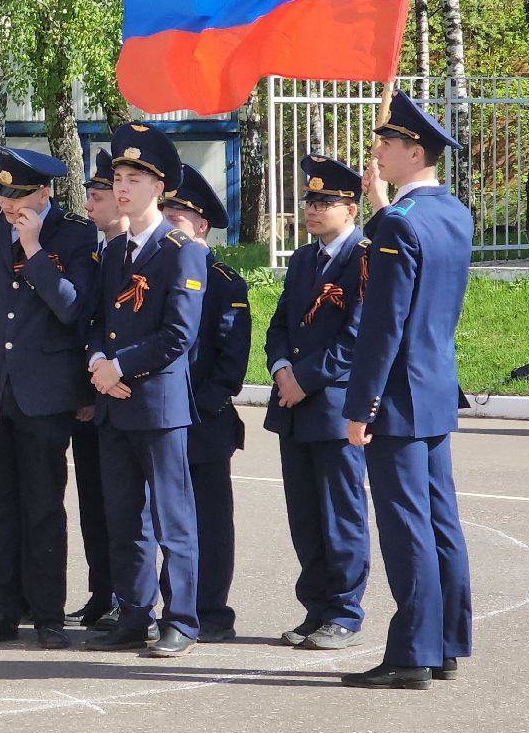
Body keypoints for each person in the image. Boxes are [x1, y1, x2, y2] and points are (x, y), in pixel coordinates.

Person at [340, 94, 474, 690]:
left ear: (413, 151)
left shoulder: (398, 223)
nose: (378, 151)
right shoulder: (451, 213)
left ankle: (411, 653)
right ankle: (445, 642)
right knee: (440, 521)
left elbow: (383, 324)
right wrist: (379, 210)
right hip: (436, 388)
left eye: (387, 144)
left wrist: (360, 405)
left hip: (396, 396)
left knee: (405, 527)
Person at [0, 145, 98, 649]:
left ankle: (48, 612)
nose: (9, 207)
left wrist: (35, 251)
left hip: (45, 396)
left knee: (42, 507)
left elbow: (72, 310)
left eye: (18, 197)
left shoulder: (74, 236)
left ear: (43, 193)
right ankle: (0, 608)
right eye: (3, 196)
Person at [82, 123, 207, 658]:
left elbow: (178, 335)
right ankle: (134, 612)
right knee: (124, 515)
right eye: (117, 177)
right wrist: (96, 360)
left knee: (172, 518)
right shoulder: (114, 252)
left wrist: (119, 367)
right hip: (114, 404)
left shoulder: (181, 251)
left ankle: (180, 618)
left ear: (159, 187)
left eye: (134, 178)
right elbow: (98, 321)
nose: (122, 187)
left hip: (155, 404)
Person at [265, 155, 370, 651]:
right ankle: (317, 606)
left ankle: (345, 611)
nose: (313, 208)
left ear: (351, 208)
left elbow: (358, 336)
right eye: (309, 200)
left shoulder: (365, 258)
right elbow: (280, 323)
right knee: (304, 515)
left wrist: (305, 379)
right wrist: (281, 368)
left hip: (332, 406)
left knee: (340, 513)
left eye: (325, 201)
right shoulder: (305, 259)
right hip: (294, 404)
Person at [160, 163, 250, 643]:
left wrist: (198, 405)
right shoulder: (153, 268)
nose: (168, 226)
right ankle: (171, 606)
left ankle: (211, 609)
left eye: (177, 219)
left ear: (201, 227)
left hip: (202, 419)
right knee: (166, 521)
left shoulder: (223, 282)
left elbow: (229, 362)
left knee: (209, 522)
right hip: (158, 416)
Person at [69, 156, 124, 629]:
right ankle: (101, 590)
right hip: (87, 396)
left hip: (120, 396)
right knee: (93, 501)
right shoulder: (96, 250)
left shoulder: (132, 254)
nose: (89, 205)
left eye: (98, 196)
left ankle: (127, 596)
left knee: (125, 507)